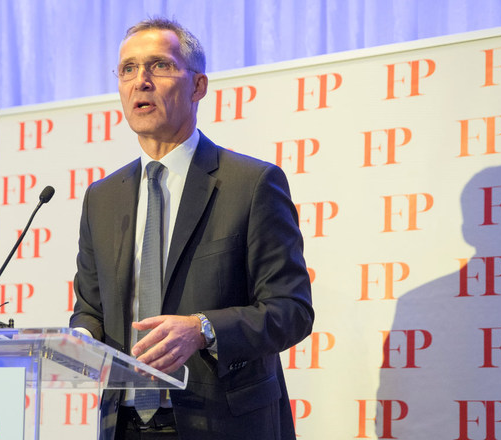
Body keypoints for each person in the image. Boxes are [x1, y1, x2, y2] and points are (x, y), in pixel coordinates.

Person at [70, 17, 314, 440]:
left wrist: (203, 329)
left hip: (223, 425)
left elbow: (290, 311)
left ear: (198, 86)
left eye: (159, 65)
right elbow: (90, 309)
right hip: (124, 426)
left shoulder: (251, 184)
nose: (140, 81)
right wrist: (78, 339)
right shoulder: (102, 198)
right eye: (128, 69)